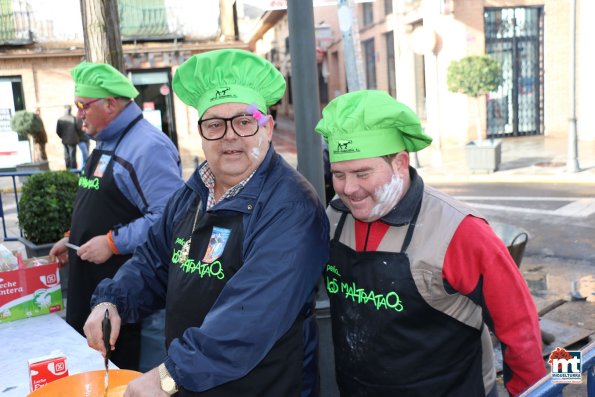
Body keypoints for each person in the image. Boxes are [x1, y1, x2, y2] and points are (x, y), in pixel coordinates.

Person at [82, 49, 330, 397]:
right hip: (192, 381)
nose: (229, 136)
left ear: (268, 127)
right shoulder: (194, 191)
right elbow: (152, 262)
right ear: (201, 133)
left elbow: (250, 319)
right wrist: (112, 300)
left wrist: (167, 376)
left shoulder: (292, 207)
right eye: (214, 124)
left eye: (244, 122)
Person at [315, 90, 546, 396]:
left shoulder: (459, 230)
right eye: (339, 175)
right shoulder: (333, 218)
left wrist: (534, 392)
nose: (350, 189)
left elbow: (519, 327)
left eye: (362, 173)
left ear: (399, 163)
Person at [49, 62, 184, 371]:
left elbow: (170, 218)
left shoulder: (147, 147)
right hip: (95, 289)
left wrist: (112, 243)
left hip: (132, 306)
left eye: (83, 105)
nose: (79, 113)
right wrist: (73, 239)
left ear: (110, 104)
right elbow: (99, 204)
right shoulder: (105, 142)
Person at [56, 105, 80, 169]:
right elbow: (79, 129)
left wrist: (63, 137)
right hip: (72, 140)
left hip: (65, 140)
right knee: (72, 157)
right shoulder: (74, 118)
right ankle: (74, 172)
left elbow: (58, 131)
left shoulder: (60, 119)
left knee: (67, 156)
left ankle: (68, 170)